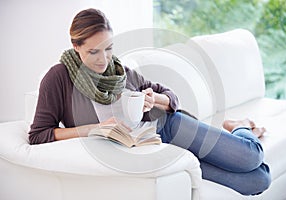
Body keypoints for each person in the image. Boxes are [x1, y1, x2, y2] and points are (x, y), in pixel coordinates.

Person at [28, 8, 271, 195]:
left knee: (251, 158)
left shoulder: (119, 70)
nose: (104, 59)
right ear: (76, 46)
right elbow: (39, 134)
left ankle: (240, 126)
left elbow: (171, 97)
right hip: (151, 152)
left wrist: (154, 99)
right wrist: (93, 130)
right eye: (94, 52)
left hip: (168, 126)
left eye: (109, 48)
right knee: (259, 180)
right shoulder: (58, 78)